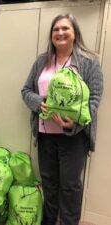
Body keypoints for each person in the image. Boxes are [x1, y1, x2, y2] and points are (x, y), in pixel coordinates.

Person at [21, 14, 103, 225]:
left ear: (75, 33)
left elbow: (94, 99)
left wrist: (76, 124)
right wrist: (39, 103)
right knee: (49, 183)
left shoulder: (89, 61)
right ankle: (49, 221)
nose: (60, 33)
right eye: (56, 29)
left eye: (65, 28)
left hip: (73, 137)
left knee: (70, 186)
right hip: (45, 135)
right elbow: (26, 90)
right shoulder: (42, 61)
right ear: (51, 35)